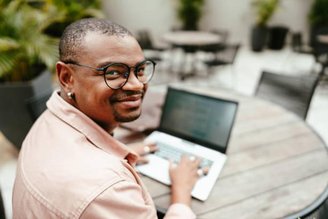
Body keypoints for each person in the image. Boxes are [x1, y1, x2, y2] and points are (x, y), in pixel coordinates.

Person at [12, 18, 205, 218]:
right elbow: (96, 189)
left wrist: (117, 154)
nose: (136, 85)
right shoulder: (105, 190)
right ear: (67, 78)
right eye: (113, 72)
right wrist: (181, 194)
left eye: (140, 70)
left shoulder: (46, 122)